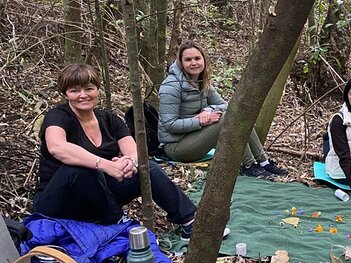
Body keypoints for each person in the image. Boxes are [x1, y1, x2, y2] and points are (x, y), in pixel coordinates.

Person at [33, 64, 198, 240]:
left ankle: (189, 221)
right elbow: (57, 148)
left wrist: (130, 162)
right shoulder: (58, 116)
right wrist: (104, 165)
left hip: (99, 195)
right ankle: (118, 223)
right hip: (59, 201)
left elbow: (133, 149)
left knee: (148, 168)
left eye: (89, 89)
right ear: (66, 94)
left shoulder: (108, 119)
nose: (83, 95)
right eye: (75, 91)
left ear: (97, 90)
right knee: (79, 169)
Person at [157, 40, 287, 178]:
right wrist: (200, 121)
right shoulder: (171, 86)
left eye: (197, 58)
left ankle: (264, 162)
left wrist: (208, 111)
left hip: (194, 137)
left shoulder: (202, 82)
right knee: (227, 118)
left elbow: (225, 105)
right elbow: (169, 124)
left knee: (237, 112)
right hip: (176, 147)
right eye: (188, 60)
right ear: (181, 63)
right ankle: (248, 165)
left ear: (204, 60)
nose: (193, 63)